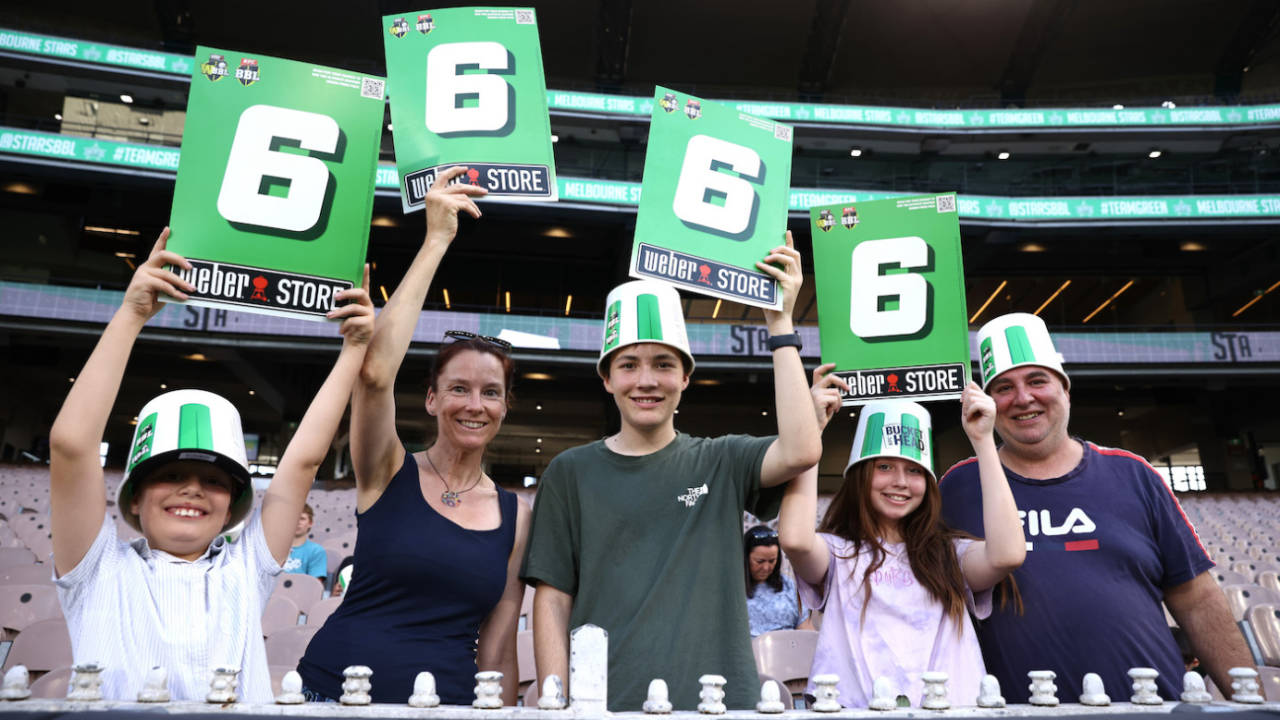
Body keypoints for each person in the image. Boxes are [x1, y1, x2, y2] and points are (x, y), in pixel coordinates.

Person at [49, 228, 374, 701]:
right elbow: (72, 446)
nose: (193, 489)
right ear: (135, 498)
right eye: (171, 475)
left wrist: (354, 350)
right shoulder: (98, 570)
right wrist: (132, 314)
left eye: (214, 480)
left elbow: (303, 462)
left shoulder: (244, 569)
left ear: (233, 506)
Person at [522, 233, 824, 712]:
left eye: (664, 364)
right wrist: (559, 701)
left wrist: (780, 323)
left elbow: (803, 449)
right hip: (606, 702)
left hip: (720, 702)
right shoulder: (569, 472)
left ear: (686, 376)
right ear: (606, 377)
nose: (646, 380)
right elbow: (553, 599)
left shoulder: (721, 460)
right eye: (629, 365)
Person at [299, 167, 530, 705]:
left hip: (446, 707)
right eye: (459, 388)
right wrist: (436, 239)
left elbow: (496, 648)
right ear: (431, 399)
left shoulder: (518, 517)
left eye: (491, 392)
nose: (474, 404)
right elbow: (374, 371)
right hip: (335, 698)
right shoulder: (386, 469)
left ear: (504, 408)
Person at [939, 312, 1255, 702]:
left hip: (1152, 706)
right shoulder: (958, 486)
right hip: (1016, 711)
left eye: (1038, 380)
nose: (1023, 398)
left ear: (1065, 391)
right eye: (1003, 387)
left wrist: (1251, 701)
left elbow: (1197, 600)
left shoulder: (1133, 473)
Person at [780, 366, 1024, 708]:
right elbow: (794, 539)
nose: (900, 481)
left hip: (950, 711)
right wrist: (812, 430)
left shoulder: (948, 555)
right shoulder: (839, 554)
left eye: (914, 470)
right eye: (884, 467)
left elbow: (1008, 555)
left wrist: (983, 442)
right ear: (860, 477)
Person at [743, 525, 804, 637]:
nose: (766, 568)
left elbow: (805, 627)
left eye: (772, 561)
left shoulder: (788, 586)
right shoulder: (734, 590)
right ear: (746, 558)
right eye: (760, 561)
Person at [283, 503, 328, 580]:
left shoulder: (316, 551)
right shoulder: (275, 547)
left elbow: (315, 586)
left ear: (310, 523)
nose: (297, 522)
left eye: (302, 519)